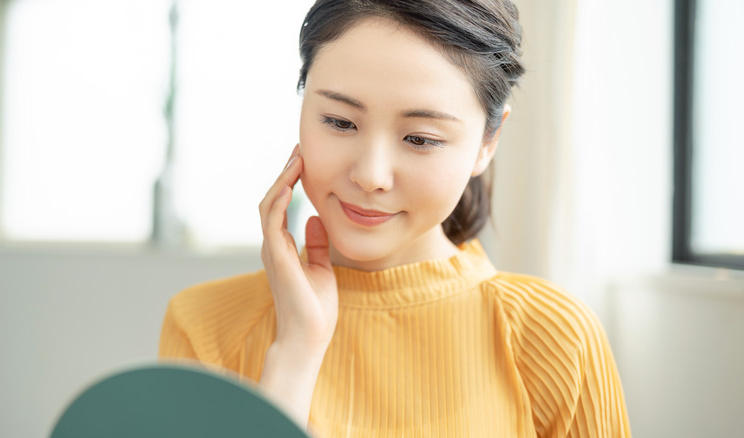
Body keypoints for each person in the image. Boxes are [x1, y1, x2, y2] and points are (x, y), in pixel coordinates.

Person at [159, 0, 631, 436]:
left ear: (488, 143)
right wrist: (294, 356)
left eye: (421, 138)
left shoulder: (554, 339)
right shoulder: (205, 328)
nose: (370, 175)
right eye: (340, 122)